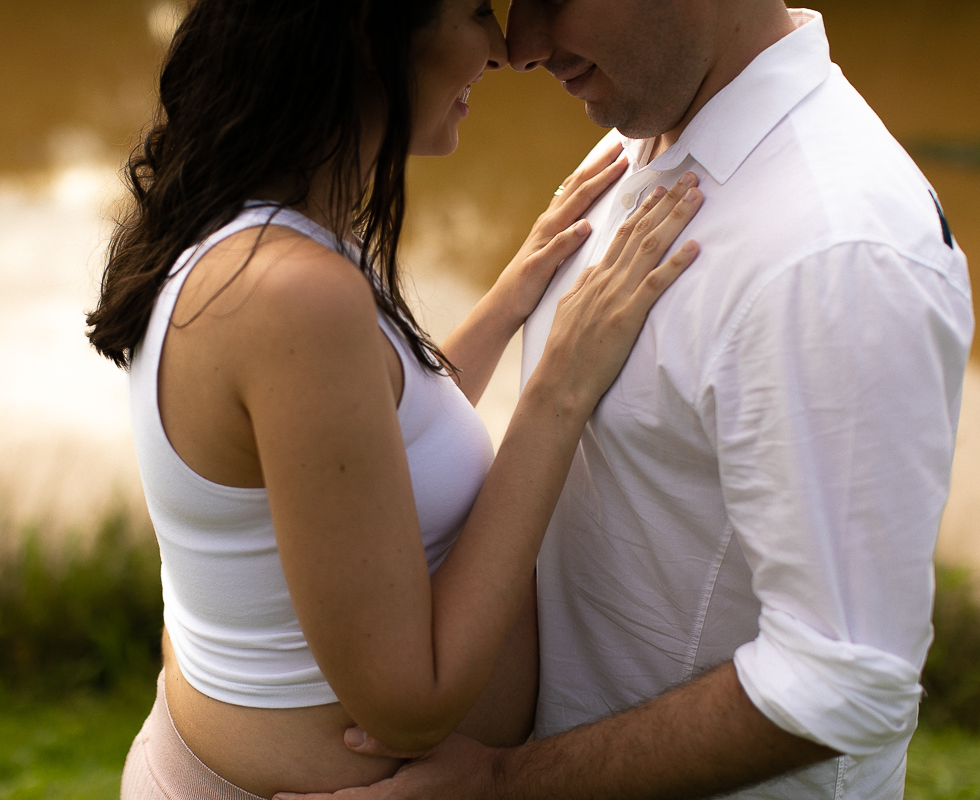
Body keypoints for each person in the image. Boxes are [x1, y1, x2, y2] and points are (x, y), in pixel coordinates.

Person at [276, 2, 973, 800]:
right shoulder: (649, 130)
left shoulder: (836, 254)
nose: (521, 46)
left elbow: (843, 686)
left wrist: (504, 782)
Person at [85, 1, 704, 798]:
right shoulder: (291, 294)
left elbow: (373, 450)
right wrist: (559, 386)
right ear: (368, 39)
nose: (502, 51)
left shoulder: (252, 231)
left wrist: (516, 291)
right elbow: (413, 704)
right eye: (474, 12)